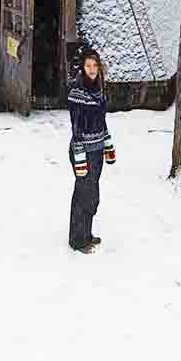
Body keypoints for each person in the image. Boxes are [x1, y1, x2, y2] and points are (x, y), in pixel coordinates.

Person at [66, 47, 115, 253]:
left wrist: (108, 145)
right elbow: (76, 128)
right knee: (83, 195)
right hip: (82, 151)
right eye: (88, 65)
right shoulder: (77, 94)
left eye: (95, 65)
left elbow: (101, 122)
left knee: (92, 193)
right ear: (82, 68)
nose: (92, 69)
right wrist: (79, 159)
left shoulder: (100, 90)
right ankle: (77, 240)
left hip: (96, 151)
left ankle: (86, 233)